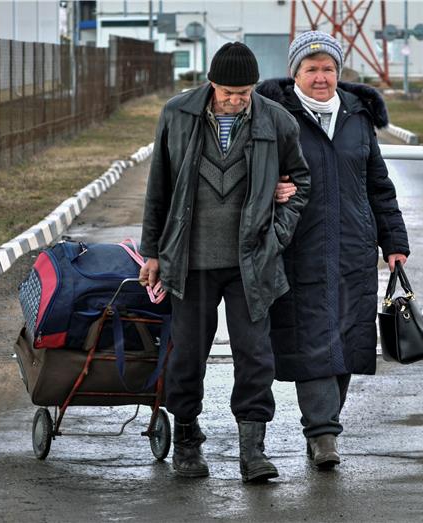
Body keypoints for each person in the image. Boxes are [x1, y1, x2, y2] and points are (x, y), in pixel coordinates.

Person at [139, 42, 310, 482]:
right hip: (190, 262)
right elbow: (158, 188)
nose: (236, 100)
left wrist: (277, 233)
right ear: (211, 83)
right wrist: (152, 253)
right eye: (228, 91)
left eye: (245, 92)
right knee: (187, 354)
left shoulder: (277, 120)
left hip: (251, 262)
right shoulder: (178, 114)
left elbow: (301, 182)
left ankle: (253, 451)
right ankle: (188, 441)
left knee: (254, 355)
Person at [257, 31, 409, 470]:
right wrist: (270, 189)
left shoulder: (357, 117)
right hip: (298, 245)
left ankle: (325, 426)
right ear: (295, 73)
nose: (321, 77)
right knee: (312, 338)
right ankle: (323, 435)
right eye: (312, 69)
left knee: (346, 335)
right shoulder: (274, 116)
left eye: (328, 69)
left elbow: (378, 184)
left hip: (353, 247)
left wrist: (394, 242)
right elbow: (249, 174)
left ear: (339, 73)